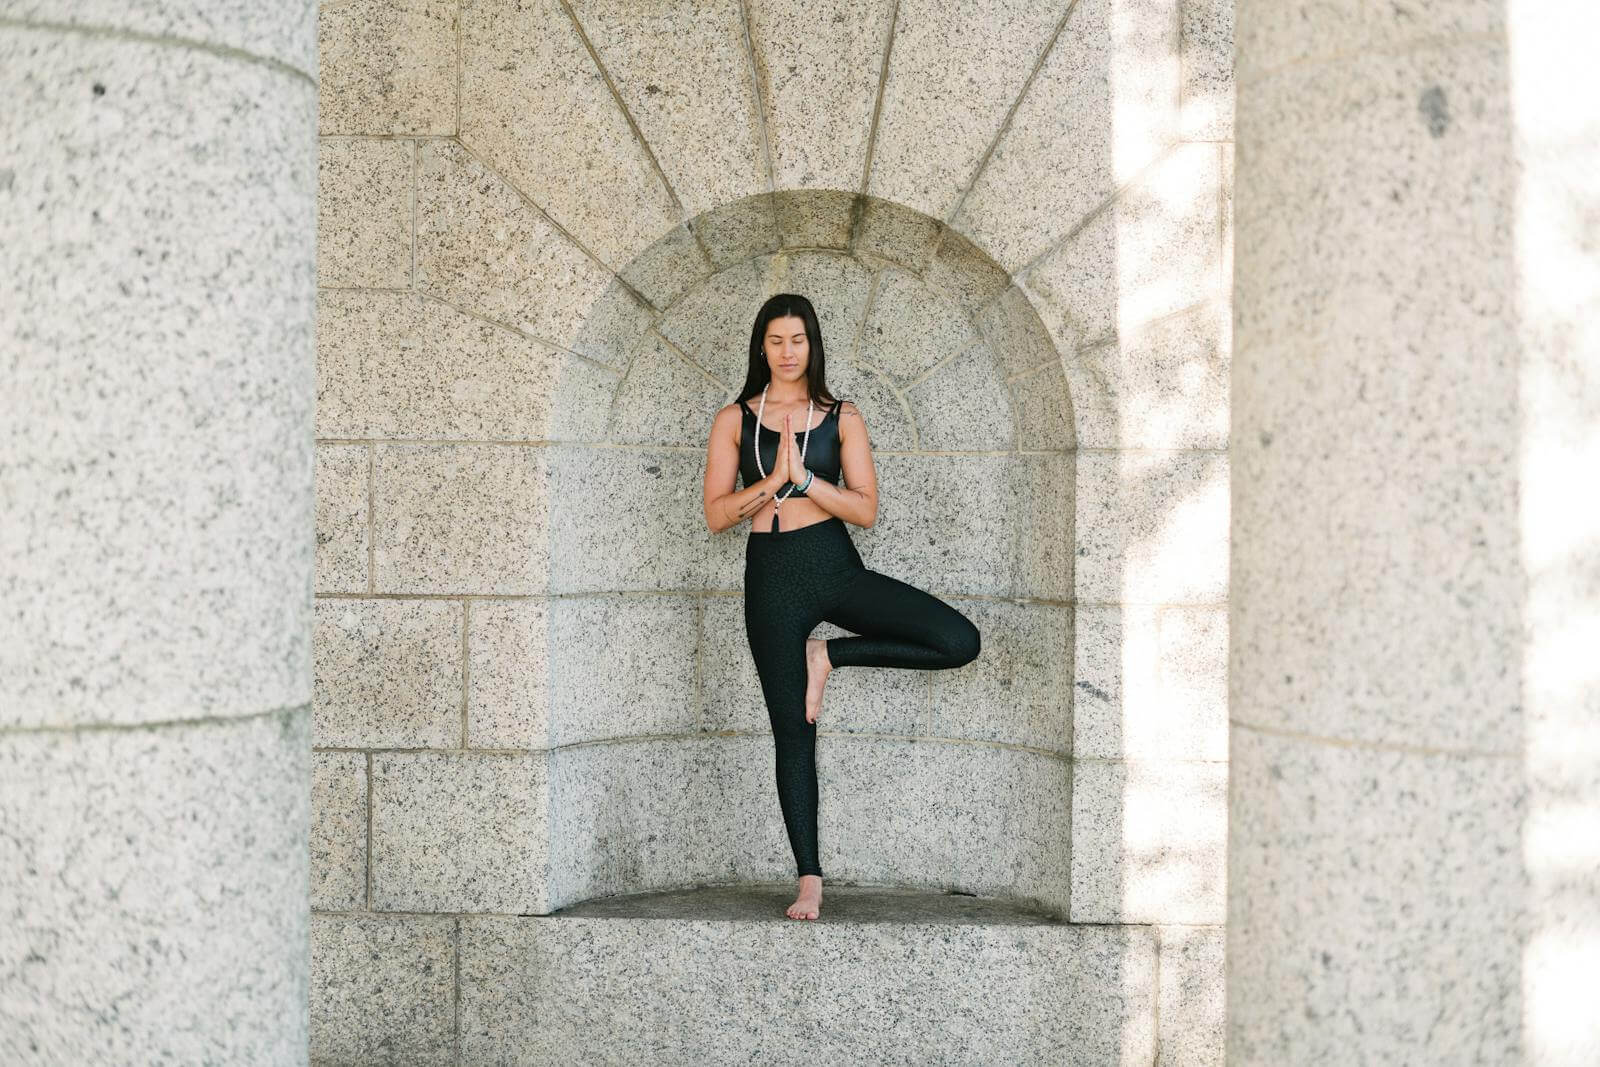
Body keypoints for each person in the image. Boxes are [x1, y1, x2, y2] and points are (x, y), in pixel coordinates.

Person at [701, 292, 982, 921]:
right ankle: (809, 879)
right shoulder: (733, 419)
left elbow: (866, 509)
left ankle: (828, 654)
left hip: (833, 567)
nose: (787, 352)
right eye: (775, 340)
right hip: (770, 581)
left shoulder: (840, 416)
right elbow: (717, 515)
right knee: (792, 730)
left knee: (958, 640)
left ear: (813, 345)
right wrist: (770, 484)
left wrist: (807, 482)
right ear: (761, 347)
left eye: (797, 340)